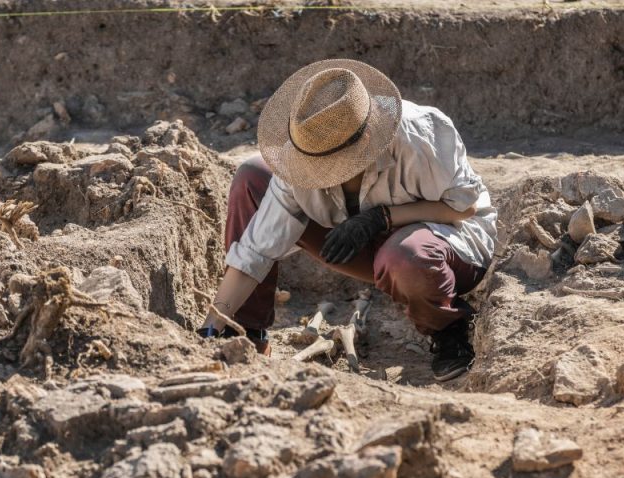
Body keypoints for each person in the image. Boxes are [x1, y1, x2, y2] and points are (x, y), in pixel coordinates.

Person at [197, 59, 497, 381]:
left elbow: (463, 208)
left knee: (405, 255)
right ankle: (244, 332)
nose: (317, 174)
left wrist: (381, 218)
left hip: (448, 243)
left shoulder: (421, 134)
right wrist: (213, 324)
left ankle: (448, 328)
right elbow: (255, 249)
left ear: (365, 142)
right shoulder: (303, 152)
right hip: (365, 247)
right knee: (253, 175)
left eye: (331, 165)